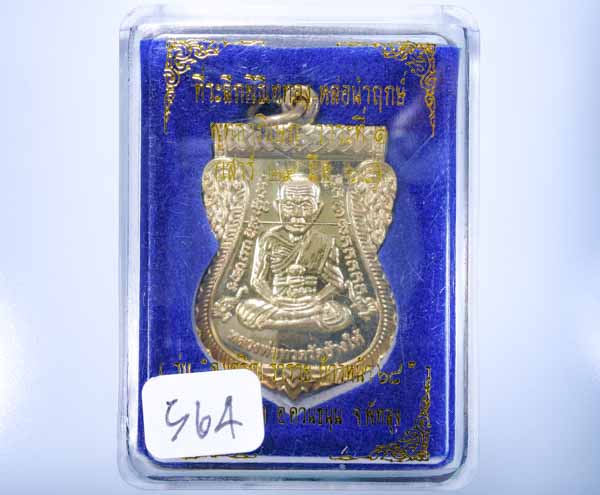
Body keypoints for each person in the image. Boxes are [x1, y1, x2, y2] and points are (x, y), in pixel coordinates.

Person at [236, 173, 352, 332]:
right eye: (289, 205)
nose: (297, 214)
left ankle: (280, 324)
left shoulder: (323, 242)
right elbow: (257, 280)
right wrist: (273, 299)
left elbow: (336, 283)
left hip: (309, 305)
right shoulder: (268, 239)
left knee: (338, 313)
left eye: (306, 206)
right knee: (245, 309)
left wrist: (317, 299)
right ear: (277, 206)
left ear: (318, 208)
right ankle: (307, 324)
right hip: (278, 304)